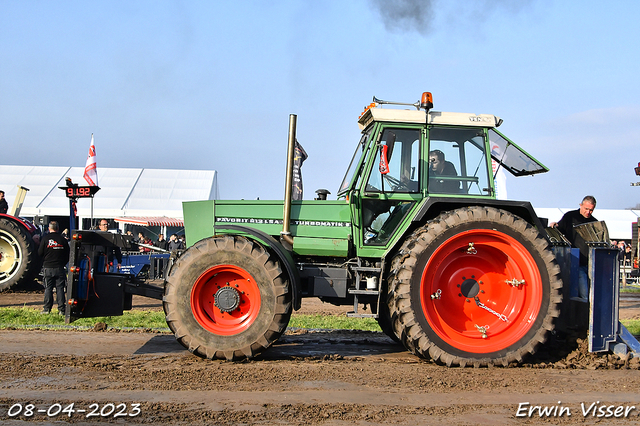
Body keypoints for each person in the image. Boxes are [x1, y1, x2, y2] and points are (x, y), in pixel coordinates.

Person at [550, 195, 598, 302]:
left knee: (591, 295)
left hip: (590, 264)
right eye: (586, 209)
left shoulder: (594, 222)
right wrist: (555, 225)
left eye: (591, 210)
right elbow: (559, 230)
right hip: (576, 262)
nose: (588, 212)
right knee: (584, 294)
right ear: (580, 205)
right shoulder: (569, 217)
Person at [37, 221, 70, 315]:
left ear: (49, 228)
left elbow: (39, 253)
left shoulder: (45, 239)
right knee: (60, 289)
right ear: (58, 228)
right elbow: (68, 254)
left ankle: (47, 309)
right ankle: (61, 310)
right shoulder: (62, 239)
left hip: (48, 268)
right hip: (59, 268)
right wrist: (62, 263)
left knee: (48, 288)